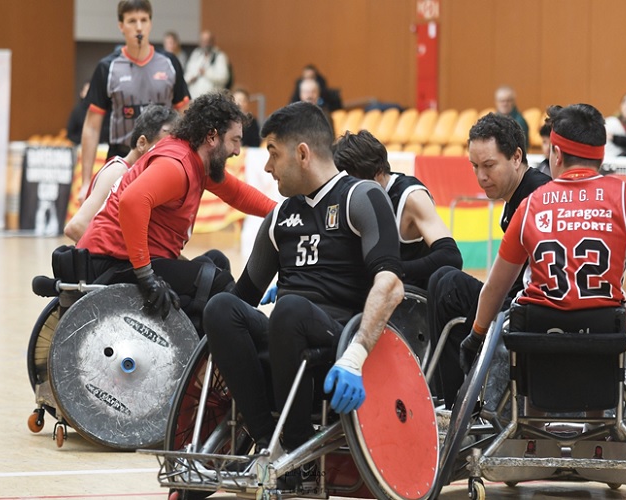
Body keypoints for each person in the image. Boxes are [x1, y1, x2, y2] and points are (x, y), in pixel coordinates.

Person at [202, 102, 404, 483]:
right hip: (285, 338)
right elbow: (242, 295)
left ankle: (299, 449)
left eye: (273, 154)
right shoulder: (280, 217)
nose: (266, 167)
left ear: (302, 154)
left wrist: (356, 355)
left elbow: (391, 284)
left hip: (339, 344)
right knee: (220, 307)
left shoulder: (360, 197)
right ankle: (268, 442)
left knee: (290, 308)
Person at [460, 103, 626, 373]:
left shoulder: (530, 204)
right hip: (603, 337)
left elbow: (496, 288)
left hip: (537, 338)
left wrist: (476, 336)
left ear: (556, 153)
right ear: (601, 152)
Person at [76, 91, 276, 329]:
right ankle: (243, 336)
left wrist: (286, 215)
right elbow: (131, 202)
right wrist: (145, 275)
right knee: (217, 282)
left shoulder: (197, 159)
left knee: (216, 261)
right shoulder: (177, 165)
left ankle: (210, 345)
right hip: (112, 262)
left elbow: (238, 194)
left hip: (129, 259)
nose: (237, 150)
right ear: (212, 137)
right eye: (234, 140)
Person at [427, 113, 550, 408]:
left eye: (489, 166)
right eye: (475, 166)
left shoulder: (536, 195)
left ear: (517, 157)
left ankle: (455, 401)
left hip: (530, 312)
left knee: (448, 286)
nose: (481, 176)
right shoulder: (518, 196)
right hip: (513, 302)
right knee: (442, 278)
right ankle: (448, 397)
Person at [79, 0, 190, 201]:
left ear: (150, 23)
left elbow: (185, 116)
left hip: (162, 160)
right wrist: (85, 181)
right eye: (132, 21)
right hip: (121, 158)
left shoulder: (170, 63)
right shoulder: (107, 67)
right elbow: (92, 127)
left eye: (143, 20)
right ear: (121, 26)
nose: (138, 27)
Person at [333, 130, 463, 289]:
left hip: (408, 297)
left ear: (378, 172)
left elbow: (450, 257)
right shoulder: (345, 193)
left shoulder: (411, 196)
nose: (353, 190)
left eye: (358, 183)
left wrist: (389, 271)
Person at [64, 104, 177, 242]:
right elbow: (76, 227)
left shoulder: (144, 176)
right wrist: (130, 254)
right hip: (106, 261)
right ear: (142, 143)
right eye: (164, 148)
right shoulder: (118, 171)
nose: (170, 155)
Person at [184, 30, 231, 99]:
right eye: (203, 41)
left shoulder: (219, 56)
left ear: (212, 42)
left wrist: (206, 73)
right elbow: (187, 74)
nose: (206, 44)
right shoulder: (196, 54)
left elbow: (223, 78)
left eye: (208, 41)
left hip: (212, 99)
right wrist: (190, 78)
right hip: (194, 97)